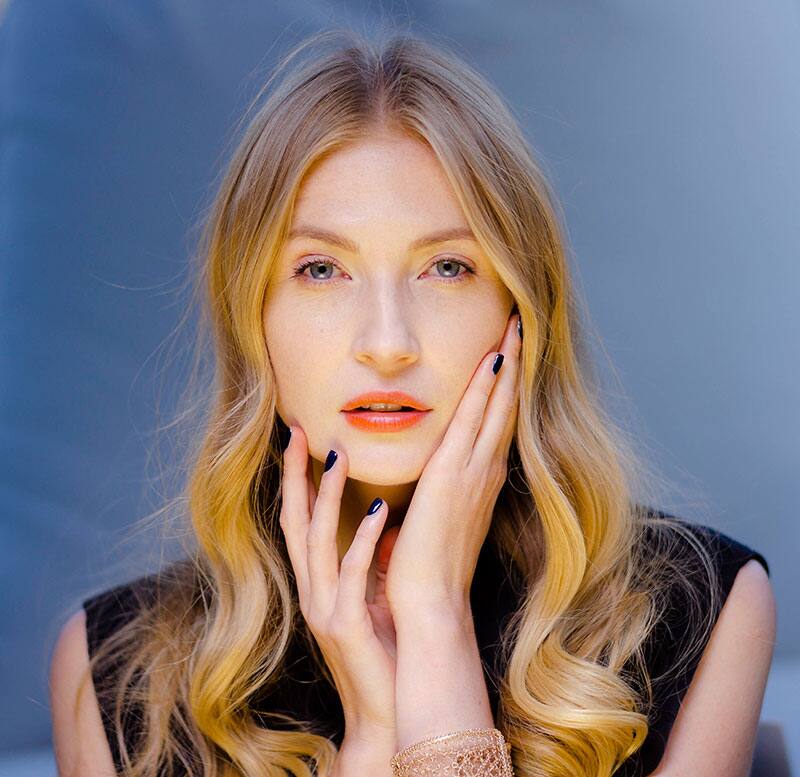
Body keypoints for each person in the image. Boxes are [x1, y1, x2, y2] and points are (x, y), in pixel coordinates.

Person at [48, 28, 776, 777]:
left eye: (447, 266)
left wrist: (434, 624)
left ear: (519, 311)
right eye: (322, 268)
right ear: (251, 319)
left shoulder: (699, 613)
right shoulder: (121, 676)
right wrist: (373, 730)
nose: (388, 342)